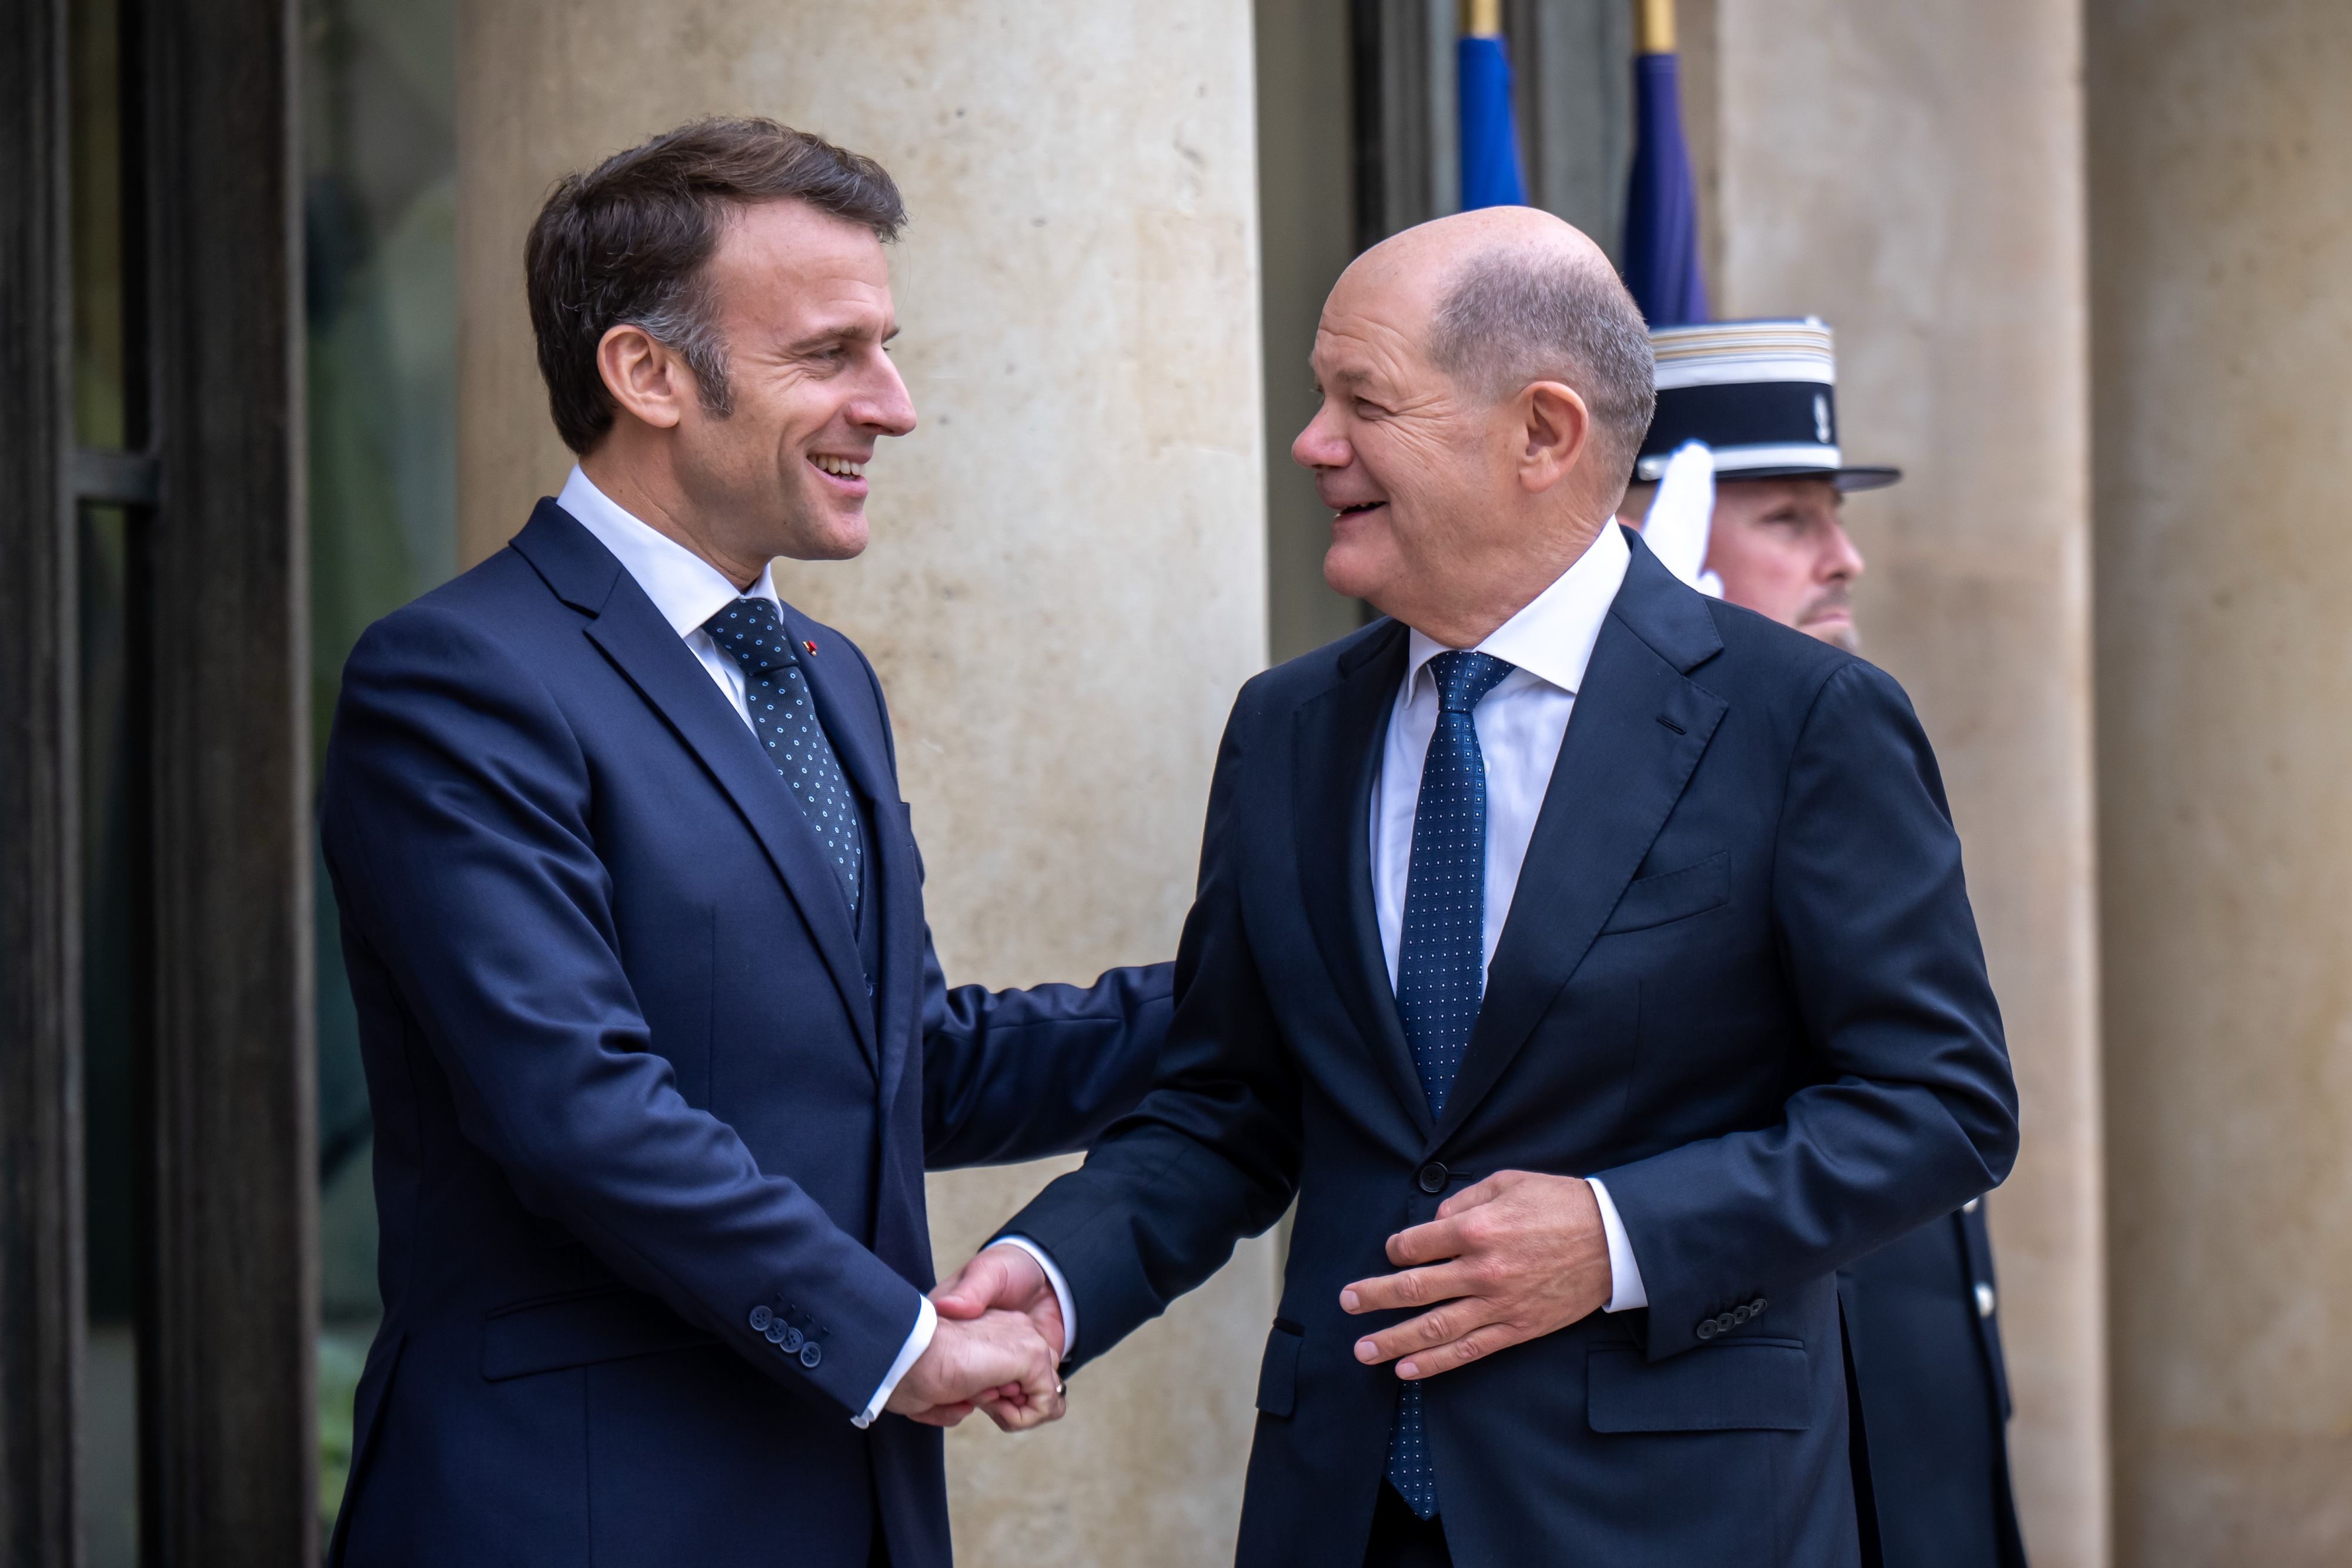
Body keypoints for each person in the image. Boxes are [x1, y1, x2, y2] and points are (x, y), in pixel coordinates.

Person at [932, 208, 2018, 1568]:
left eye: (1360, 401)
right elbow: (1230, 1105)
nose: (1310, 443)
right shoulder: (1286, 728)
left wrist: (1613, 1233)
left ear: (1542, 434)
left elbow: (1939, 1105)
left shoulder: (1800, 719)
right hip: (1340, 1511)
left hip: (1671, 1521)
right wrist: (1051, 1280)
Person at [317, 118, 1172, 1568]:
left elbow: (908, 1067)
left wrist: (1279, 972)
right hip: (578, 1511)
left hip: (845, 1505)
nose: (891, 405)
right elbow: (578, 1108)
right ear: (646, 373)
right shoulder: (455, 679)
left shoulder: (823, 677)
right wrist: (895, 1343)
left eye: (884, 347)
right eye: (830, 354)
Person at [1616, 318, 2029, 1568]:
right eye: (1787, 520)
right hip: (1753, 1471)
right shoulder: (1615, 763)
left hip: (1909, 1432)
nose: (1843, 557)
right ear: (1652, 526)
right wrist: (1640, 686)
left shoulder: (1829, 734)